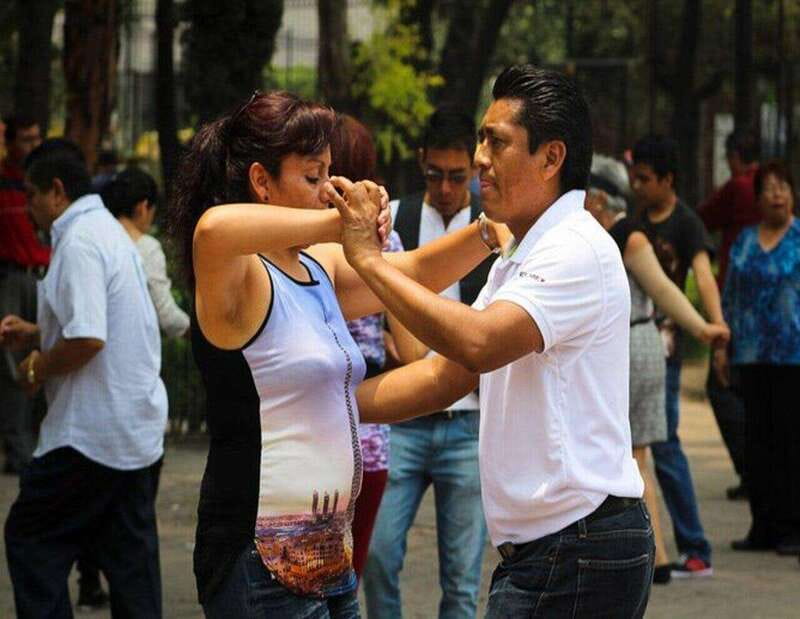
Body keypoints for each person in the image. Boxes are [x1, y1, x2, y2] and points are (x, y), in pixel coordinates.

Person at [332, 64, 654, 618]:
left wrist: (367, 262)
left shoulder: (574, 248)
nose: (480, 157)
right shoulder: (523, 252)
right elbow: (447, 374)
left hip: (577, 545)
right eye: (482, 138)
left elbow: (478, 343)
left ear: (552, 158)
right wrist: (328, 407)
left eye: (497, 142)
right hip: (553, 549)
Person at [169, 90, 504, 618]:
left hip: (329, 560)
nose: (328, 189)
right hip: (260, 561)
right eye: (312, 175)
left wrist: (488, 232)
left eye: (330, 172)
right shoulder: (239, 272)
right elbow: (213, 229)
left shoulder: (318, 266)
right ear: (261, 181)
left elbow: (412, 273)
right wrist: (342, 225)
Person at [0, 139, 166, 618]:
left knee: (31, 538)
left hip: (91, 435)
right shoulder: (109, 233)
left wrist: (36, 365)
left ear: (55, 191)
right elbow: (101, 322)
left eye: (31, 194)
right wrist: (37, 332)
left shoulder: (78, 240)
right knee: (130, 564)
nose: (28, 207)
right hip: (133, 432)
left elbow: (90, 338)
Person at [363, 106, 494, 619]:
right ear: (421, 164)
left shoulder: (496, 227)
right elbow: (365, 293)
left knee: (462, 580)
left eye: (457, 177)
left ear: (474, 171)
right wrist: (383, 337)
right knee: (375, 556)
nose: (444, 187)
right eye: (434, 175)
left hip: (468, 420)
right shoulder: (396, 218)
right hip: (406, 416)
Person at [586, 184, 729, 586]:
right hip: (637, 344)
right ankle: (658, 554)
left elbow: (664, 290)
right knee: (637, 454)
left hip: (634, 346)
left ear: (600, 199)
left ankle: (656, 555)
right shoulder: (606, 236)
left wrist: (702, 328)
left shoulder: (626, 236)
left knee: (636, 455)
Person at [327, 114, 420, 580]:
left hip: (313, 436)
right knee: (347, 582)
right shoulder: (388, 240)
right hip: (370, 441)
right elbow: (414, 349)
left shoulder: (294, 240)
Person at [629, 134, 725, 578]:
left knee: (663, 447)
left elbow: (703, 275)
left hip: (665, 347)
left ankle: (694, 546)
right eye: (635, 177)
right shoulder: (634, 220)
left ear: (668, 180)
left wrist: (714, 326)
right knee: (650, 449)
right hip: (642, 346)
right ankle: (663, 548)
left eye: (646, 179)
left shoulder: (685, 223)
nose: (638, 186)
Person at [719, 160, 800, 555]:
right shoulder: (746, 241)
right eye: (769, 187)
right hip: (751, 353)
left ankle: (792, 527)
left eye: (783, 186)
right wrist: (723, 344)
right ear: (759, 197)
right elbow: (731, 294)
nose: (777, 194)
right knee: (757, 442)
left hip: (793, 355)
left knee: (791, 442)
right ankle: (762, 525)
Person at [699, 129, 761, 501]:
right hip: (765, 307)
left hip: (734, 301)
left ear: (735, 155)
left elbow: (705, 216)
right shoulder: (763, 188)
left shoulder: (739, 187)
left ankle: (750, 468)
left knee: (722, 386)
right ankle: (757, 471)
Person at [0, 115, 45, 475]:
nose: (31, 145)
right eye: (24, 139)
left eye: (36, 139)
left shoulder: (43, 184)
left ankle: (37, 443)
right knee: (14, 360)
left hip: (43, 274)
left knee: (44, 353)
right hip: (12, 276)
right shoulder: (4, 182)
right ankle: (18, 449)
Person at [103, 167, 190, 337]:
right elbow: (167, 315)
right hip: (133, 347)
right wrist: (199, 335)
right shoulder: (147, 247)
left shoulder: (99, 240)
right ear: (143, 207)